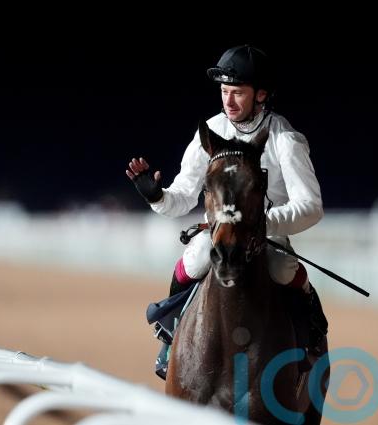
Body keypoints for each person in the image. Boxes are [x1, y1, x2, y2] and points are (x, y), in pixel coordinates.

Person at [126, 45, 328, 380]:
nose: (228, 101)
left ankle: (312, 332)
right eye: (224, 92)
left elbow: (310, 206)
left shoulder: (285, 138)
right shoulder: (209, 131)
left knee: (281, 268)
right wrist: (157, 196)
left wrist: (257, 223)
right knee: (197, 256)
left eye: (238, 93)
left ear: (261, 94)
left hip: (266, 234)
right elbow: (183, 196)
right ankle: (170, 332)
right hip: (218, 231)